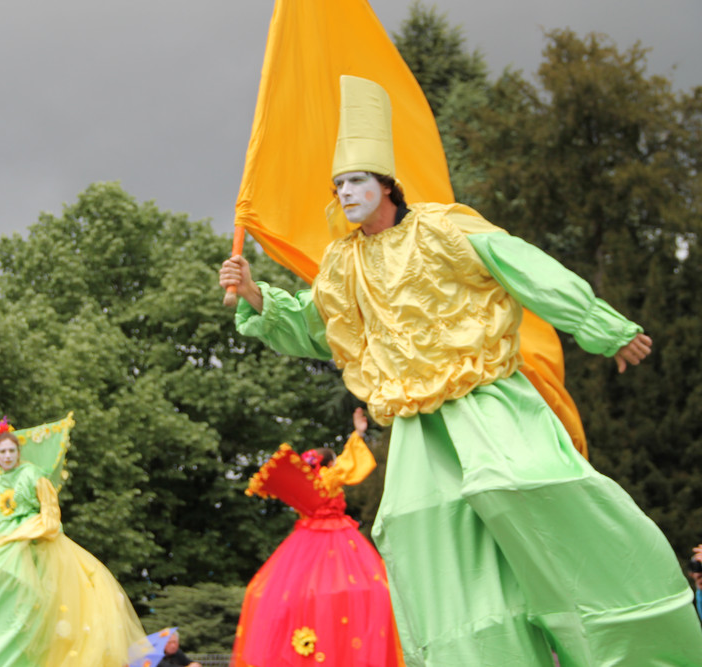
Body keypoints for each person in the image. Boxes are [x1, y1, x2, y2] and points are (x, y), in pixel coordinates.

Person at [218, 75, 702, 666]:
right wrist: (256, 294)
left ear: (385, 186)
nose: (345, 193)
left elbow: (524, 267)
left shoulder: (445, 228)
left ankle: (637, 645)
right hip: (421, 430)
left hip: (487, 402)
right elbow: (320, 329)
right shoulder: (343, 262)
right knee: (428, 539)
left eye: (356, 181)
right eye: (338, 184)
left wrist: (604, 327)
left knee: (525, 486)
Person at [0, 415, 147, 667]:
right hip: (5, 543)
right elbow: (1, 520)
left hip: (37, 542)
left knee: (42, 601)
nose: (8, 455)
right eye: (2, 451)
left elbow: (51, 514)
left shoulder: (33, 475)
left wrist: (32, 531)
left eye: (11, 450)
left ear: (18, 453)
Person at [232, 408, 402, 667]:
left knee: (291, 592)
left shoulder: (307, 483)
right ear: (329, 463)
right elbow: (353, 465)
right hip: (337, 538)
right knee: (371, 589)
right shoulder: (330, 477)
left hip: (305, 541)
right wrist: (358, 433)